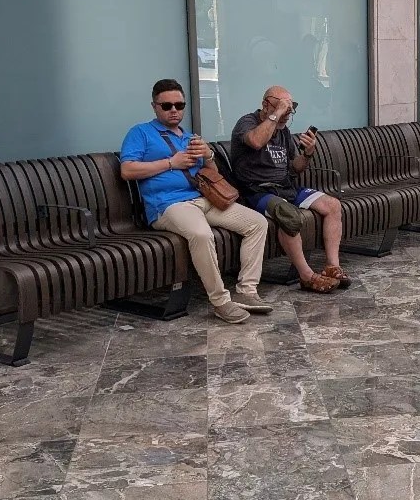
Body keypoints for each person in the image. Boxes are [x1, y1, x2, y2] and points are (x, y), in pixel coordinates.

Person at [120, 79, 271, 324]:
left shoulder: (190, 137)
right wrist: (171, 163)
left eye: (179, 105)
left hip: (202, 199)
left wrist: (208, 155)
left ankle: (247, 291)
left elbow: (210, 174)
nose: (174, 111)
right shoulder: (141, 133)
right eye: (167, 105)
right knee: (202, 235)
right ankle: (221, 302)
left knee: (256, 222)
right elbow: (127, 170)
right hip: (168, 205)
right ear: (154, 106)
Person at [230, 85, 350, 292]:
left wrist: (308, 153)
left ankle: (333, 266)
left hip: (286, 187)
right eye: (282, 107)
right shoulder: (247, 122)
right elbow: (257, 141)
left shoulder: (283, 131)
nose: (287, 114)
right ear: (265, 105)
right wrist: (276, 115)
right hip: (256, 192)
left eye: (290, 109)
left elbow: (295, 169)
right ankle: (306, 276)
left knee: (333, 205)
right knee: (287, 214)